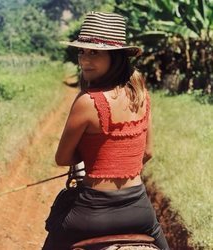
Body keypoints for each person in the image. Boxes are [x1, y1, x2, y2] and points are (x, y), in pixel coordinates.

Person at [42, 11, 169, 250]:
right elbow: (148, 152)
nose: (84, 60)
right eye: (82, 51)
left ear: (115, 57)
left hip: (91, 214)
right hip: (138, 210)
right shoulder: (140, 95)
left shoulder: (87, 101)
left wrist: (92, 156)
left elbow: (62, 158)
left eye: (94, 53)